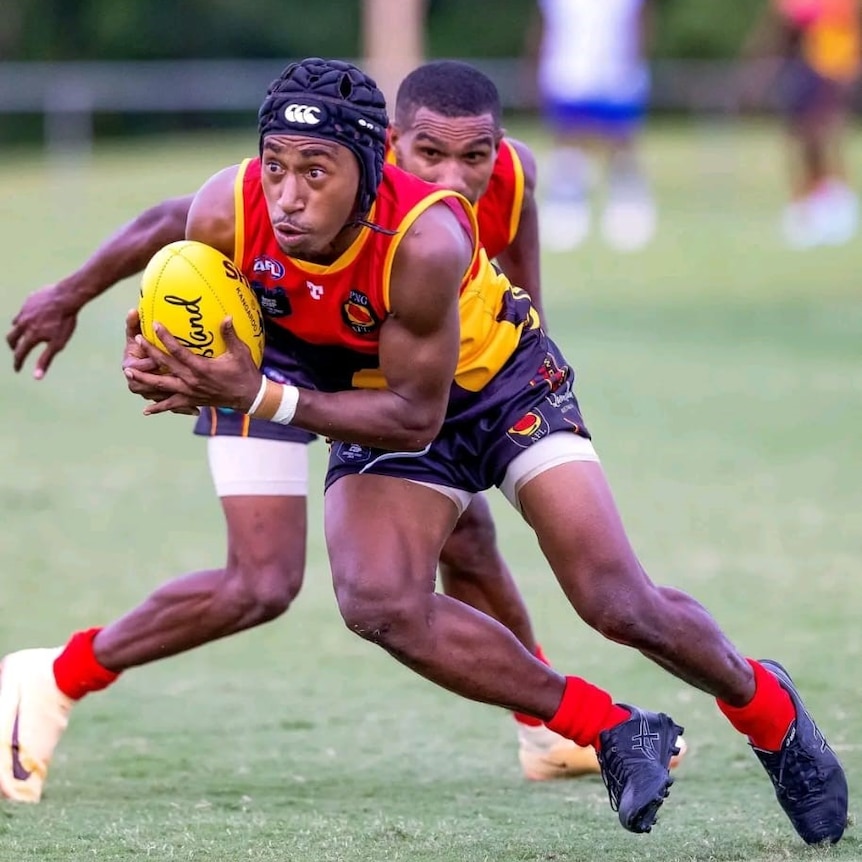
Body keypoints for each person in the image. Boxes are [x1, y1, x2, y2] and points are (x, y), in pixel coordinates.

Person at [14, 57, 846, 842]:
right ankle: (607, 728)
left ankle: (767, 709)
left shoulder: (428, 239)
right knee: (372, 598)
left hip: (495, 388)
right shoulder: (232, 206)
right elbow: (179, 255)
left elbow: (420, 414)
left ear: (370, 165)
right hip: (353, 386)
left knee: (615, 602)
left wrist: (257, 394)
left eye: (315, 173)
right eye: (277, 167)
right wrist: (149, 333)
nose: (290, 195)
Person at [531, 0, 657, 252]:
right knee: (568, 141)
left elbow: (642, 22)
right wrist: (536, 65)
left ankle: (627, 208)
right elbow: (545, 26)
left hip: (616, 71)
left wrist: (635, 64)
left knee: (621, 142)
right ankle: (566, 207)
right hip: (568, 70)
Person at [744, 0, 860, 247]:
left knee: (824, 137)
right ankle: (810, 205)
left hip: (832, 68)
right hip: (807, 68)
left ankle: (836, 205)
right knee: (804, 141)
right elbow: (781, 29)